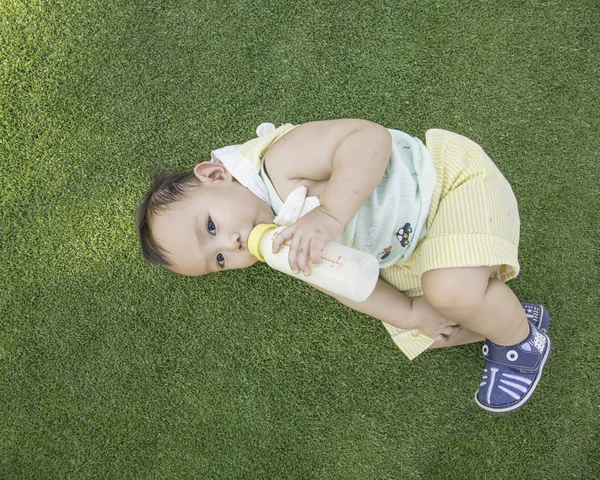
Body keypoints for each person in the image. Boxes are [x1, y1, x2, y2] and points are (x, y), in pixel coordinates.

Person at [136, 119, 552, 413]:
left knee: (450, 292)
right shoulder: (278, 243)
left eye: (211, 226)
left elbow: (367, 137)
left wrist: (330, 214)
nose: (231, 243)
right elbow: (341, 282)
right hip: (412, 245)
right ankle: (511, 319)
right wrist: (408, 312)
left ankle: (523, 345)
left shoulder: (280, 163)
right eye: (221, 260)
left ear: (215, 175)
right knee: (426, 329)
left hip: (448, 189)